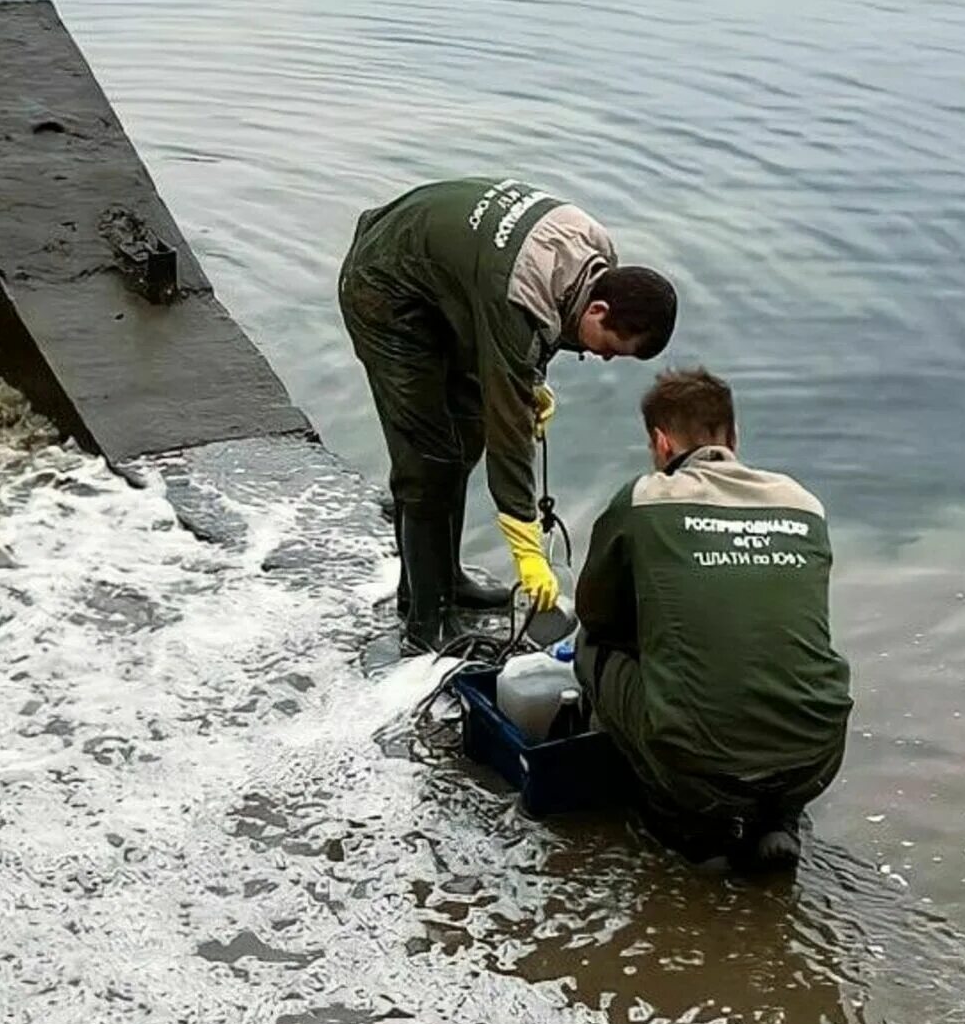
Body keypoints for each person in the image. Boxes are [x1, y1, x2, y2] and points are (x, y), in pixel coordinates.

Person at [338, 177, 679, 652]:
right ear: (600, 309)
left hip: (449, 287)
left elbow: (537, 331)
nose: (603, 359)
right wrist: (527, 551)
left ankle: (445, 582)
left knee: (465, 438)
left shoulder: (595, 252)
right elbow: (510, 435)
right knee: (428, 461)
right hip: (386, 289)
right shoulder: (522, 291)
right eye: (610, 348)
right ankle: (425, 623)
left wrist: (529, 382)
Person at [572, 366, 852, 870]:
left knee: (589, 646)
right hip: (816, 757)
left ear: (661, 443)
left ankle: (688, 828)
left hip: (697, 766)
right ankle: (778, 819)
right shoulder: (803, 503)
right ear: (735, 438)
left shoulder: (643, 498)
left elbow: (596, 613)